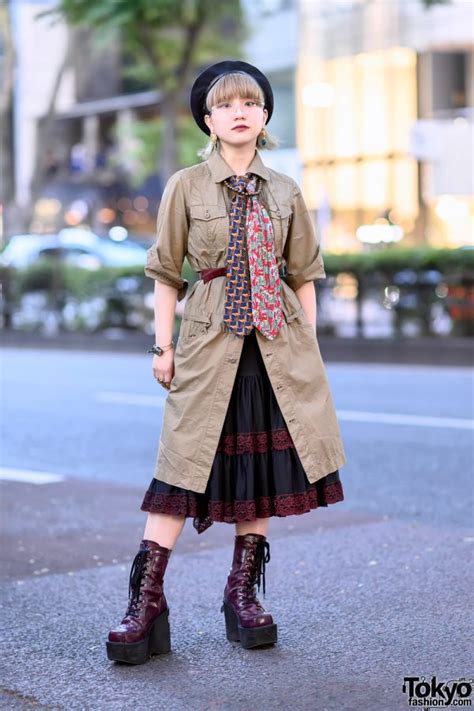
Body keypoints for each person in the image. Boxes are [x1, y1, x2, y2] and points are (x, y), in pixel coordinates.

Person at [106, 60, 347, 665]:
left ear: (264, 116)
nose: (239, 112)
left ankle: (241, 597)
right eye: (226, 105)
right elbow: (165, 274)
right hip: (209, 341)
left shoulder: (286, 190)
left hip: (275, 346)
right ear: (208, 121)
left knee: (260, 475)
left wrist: (307, 348)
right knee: (179, 470)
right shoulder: (185, 186)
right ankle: (147, 604)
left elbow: (305, 275)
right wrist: (162, 348)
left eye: (251, 103)